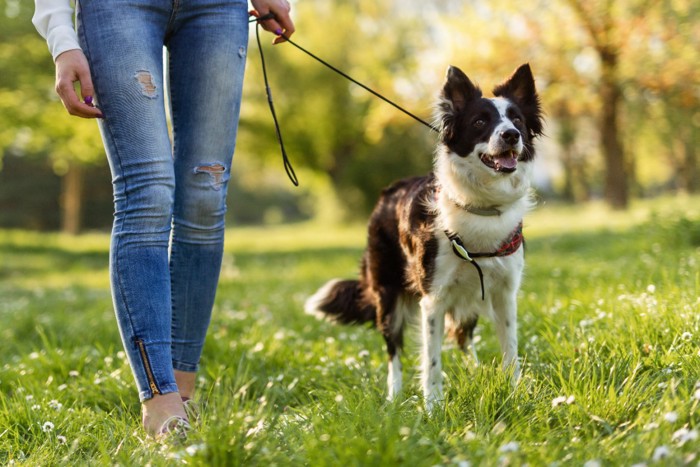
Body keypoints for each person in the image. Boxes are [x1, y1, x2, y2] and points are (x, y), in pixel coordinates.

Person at [32, 0, 295, 438]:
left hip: (217, 9)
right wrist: (61, 39)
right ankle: (160, 403)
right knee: (148, 192)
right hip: (118, 9)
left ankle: (183, 397)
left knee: (205, 200)